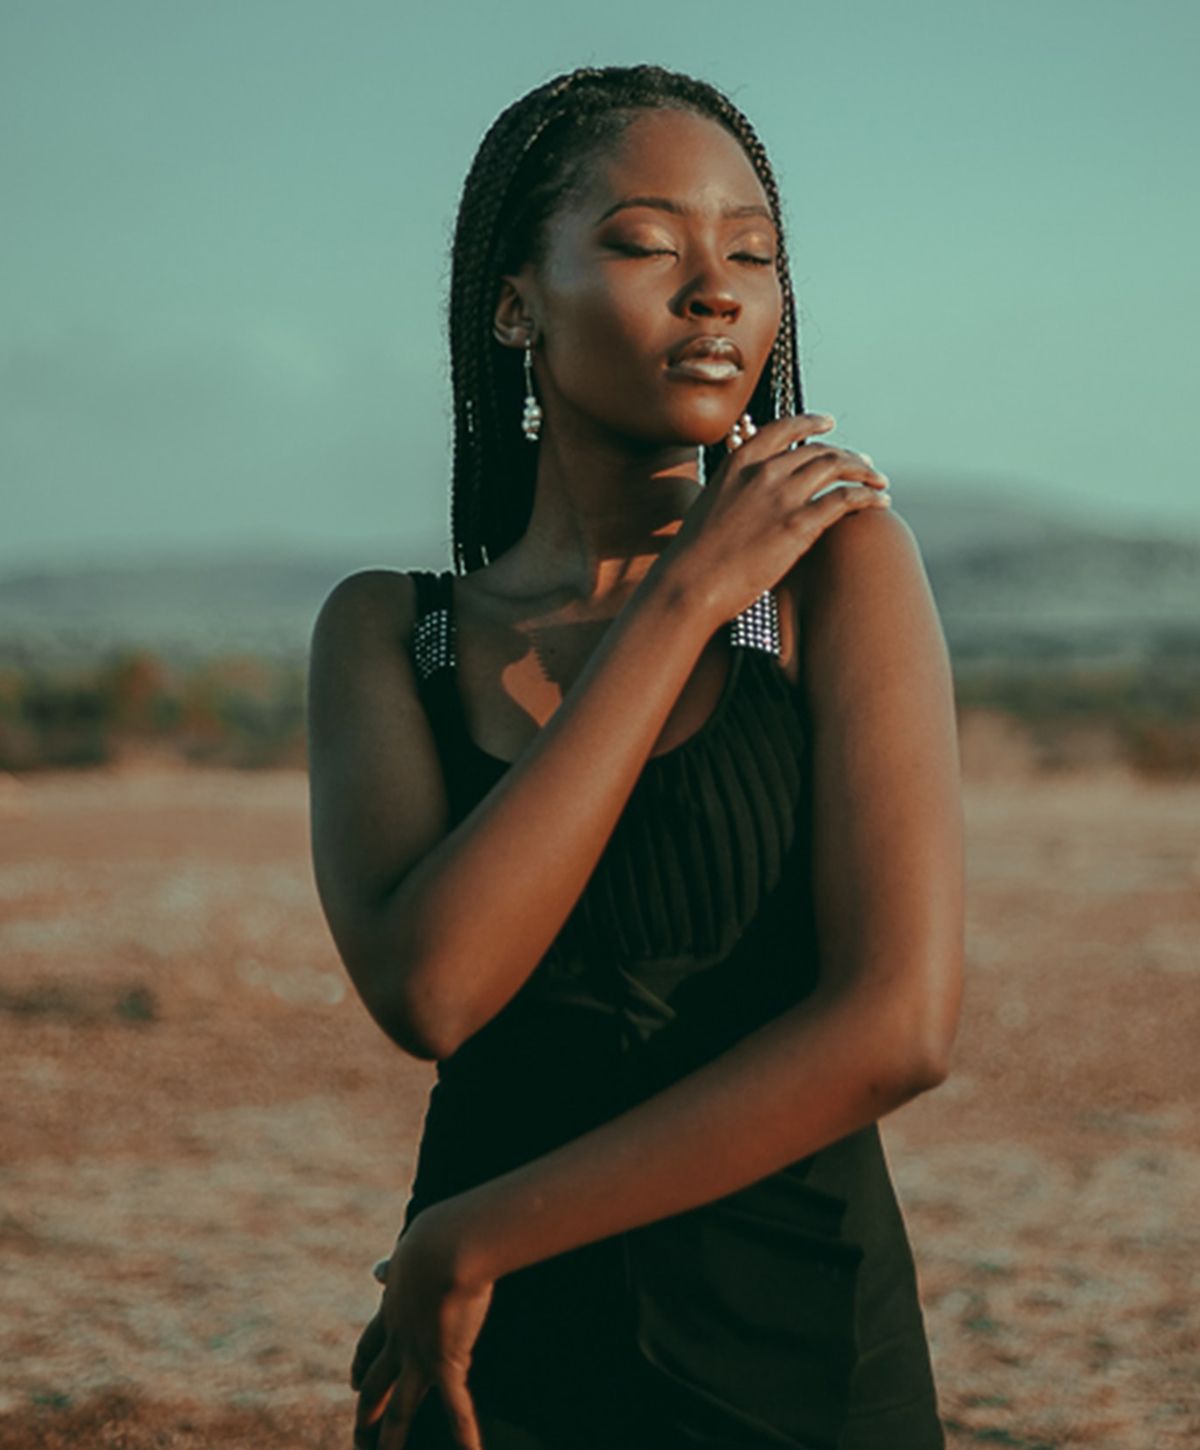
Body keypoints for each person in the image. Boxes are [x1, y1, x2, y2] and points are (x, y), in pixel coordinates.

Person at [306, 63, 964, 1450]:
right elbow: (434, 986)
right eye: (644, 242)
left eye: (752, 253)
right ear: (513, 302)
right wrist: (675, 604)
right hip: (497, 1372)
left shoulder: (838, 577)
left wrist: (476, 1234)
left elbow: (899, 1025)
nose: (714, 289)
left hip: (802, 1362)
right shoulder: (393, 633)